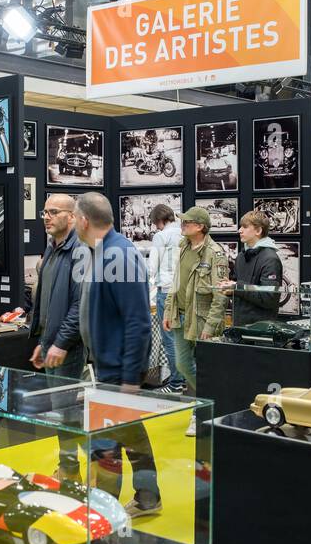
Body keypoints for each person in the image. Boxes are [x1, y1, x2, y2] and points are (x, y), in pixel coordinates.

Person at [73, 193, 159, 516]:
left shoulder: (119, 255)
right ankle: (147, 496)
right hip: (107, 368)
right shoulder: (101, 252)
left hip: (117, 371)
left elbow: (138, 322)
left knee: (105, 443)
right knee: (127, 434)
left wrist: (128, 379)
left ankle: (105, 513)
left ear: (83, 220)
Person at [163, 207, 230, 431]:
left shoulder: (215, 253)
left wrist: (211, 326)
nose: (182, 225)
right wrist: (167, 312)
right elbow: (176, 282)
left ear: (200, 226)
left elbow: (221, 294)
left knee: (206, 368)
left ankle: (201, 411)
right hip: (180, 316)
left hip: (202, 320)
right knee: (182, 364)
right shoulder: (183, 247)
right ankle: (209, 401)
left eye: (187, 222)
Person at [28, 193, 88, 380]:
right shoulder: (51, 247)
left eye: (53, 212)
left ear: (72, 216)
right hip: (51, 344)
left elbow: (81, 306)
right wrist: (43, 341)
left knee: (63, 407)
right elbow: (47, 301)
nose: (46, 217)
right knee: (56, 406)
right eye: (44, 212)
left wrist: (61, 344)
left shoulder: (81, 250)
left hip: (68, 347)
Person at [220, 210, 282, 326]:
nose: (240, 230)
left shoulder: (270, 259)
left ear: (258, 230)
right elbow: (240, 289)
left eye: (245, 227)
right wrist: (230, 289)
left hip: (261, 330)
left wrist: (237, 287)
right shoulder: (241, 256)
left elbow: (269, 298)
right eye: (240, 227)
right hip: (239, 326)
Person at [147, 202, 183, 392]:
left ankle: (176, 384)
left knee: (169, 340)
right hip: (183, 292)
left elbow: (152, 267)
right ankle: (183, 382)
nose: (155, 227)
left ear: (159, 220)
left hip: (166, 291)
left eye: (155, 223)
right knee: (183, 339)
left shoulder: (161, 236)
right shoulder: (184, 233)